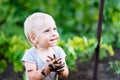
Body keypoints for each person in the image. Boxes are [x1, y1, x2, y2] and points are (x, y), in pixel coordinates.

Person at [21, 12, 69, 80]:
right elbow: (32, 77)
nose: (53, 33)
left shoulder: (58, 51)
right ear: (34, 38)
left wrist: (60, 67)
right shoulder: (30, 54)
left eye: (54, 29)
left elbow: (65, 75)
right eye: (47, 31)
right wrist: (48, 68)